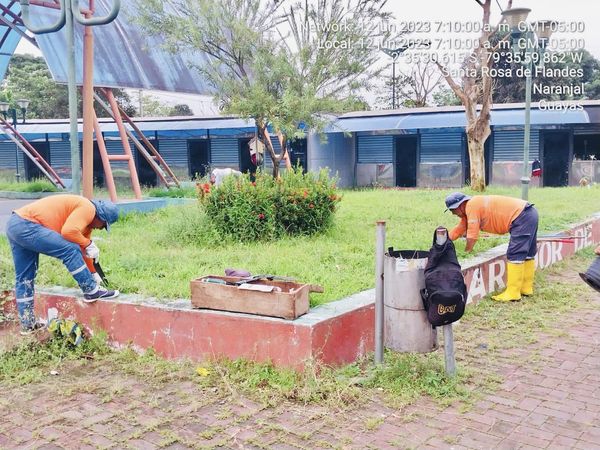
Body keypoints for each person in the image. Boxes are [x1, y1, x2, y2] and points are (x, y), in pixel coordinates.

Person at [6, 195, 120, 334]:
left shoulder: (85, 224)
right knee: (70, 249)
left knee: (25, 278)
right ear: (100, 217)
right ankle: (91, 291)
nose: (101, 228)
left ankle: (27, 324)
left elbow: (84, 251)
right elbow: (68, 232)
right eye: (103, 225)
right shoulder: (88, 208)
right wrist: (88, 243)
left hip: (15, 224)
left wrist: (93, 273)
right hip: (27, 224)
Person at [445, 192, 539, 302]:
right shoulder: (473, 207)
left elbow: (472, 236)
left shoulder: (472, 206)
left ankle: (513, 292)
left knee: (515, 254)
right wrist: (442, 241)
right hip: (529, 213)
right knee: (528, 253)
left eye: (453, 210)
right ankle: (526, 288)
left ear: (460, 205)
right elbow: (459, 230)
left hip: (521, 216)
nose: (453, 213)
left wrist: (468, 251)